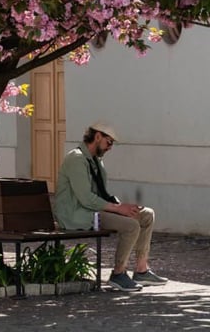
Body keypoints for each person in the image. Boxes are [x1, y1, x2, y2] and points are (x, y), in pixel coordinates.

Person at [54, 121, 166, 291]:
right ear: (97, 136)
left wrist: (121, 206)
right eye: (109, 142)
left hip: (93, 210)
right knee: (130, 226)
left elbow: (101, 194)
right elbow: (85, 198)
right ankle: (118, 273)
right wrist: (118, 209)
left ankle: (141, 270)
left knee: (146, 214)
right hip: (77, 214)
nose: (110, 147)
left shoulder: (95, 161)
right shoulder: (76, 158)